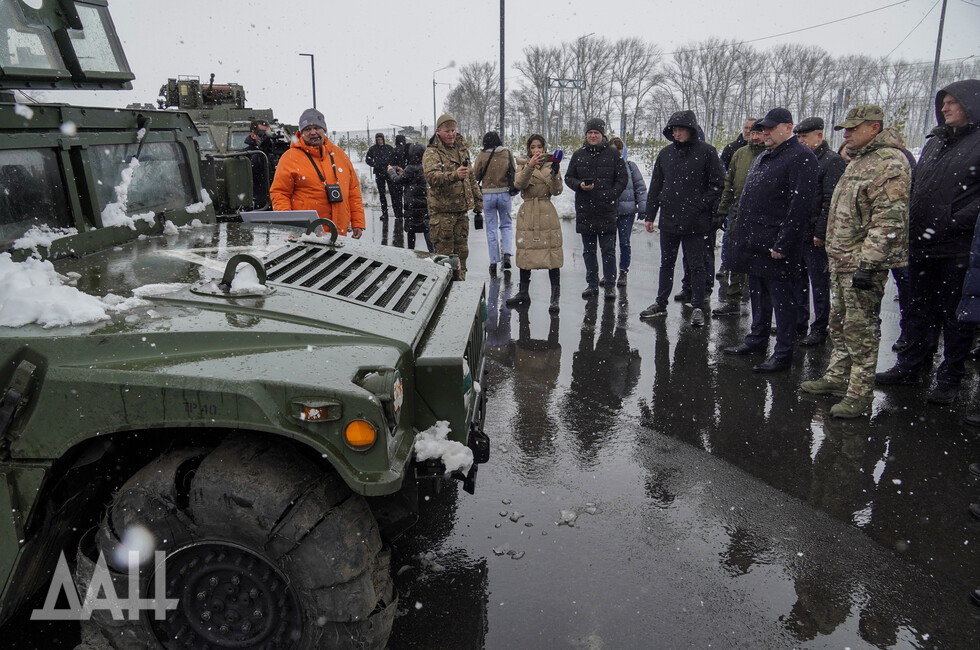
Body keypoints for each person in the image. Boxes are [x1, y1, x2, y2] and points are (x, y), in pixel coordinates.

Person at [800, 105, 911, 418]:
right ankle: (837, 378)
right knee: (839, 324)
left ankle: (859, 394)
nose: (846, 134)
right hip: (841, 261)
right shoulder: (860, 159)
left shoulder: (889, 161)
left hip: (863, 266)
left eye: (852, 128)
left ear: (873, 128)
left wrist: (869, 264)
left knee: (860, 330)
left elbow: (889, 220)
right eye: (844, 130)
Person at [876, 79, 980, 405]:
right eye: (943, 102)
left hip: (957, 247)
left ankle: (949, 378)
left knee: (954, 316)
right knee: (919, 309)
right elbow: (918, 186)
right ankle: (911, 366)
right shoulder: (935, 142)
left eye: (953, 102)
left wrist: (952, 221)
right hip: (921, 243)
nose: (945, 108)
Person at [724, 107, 818, 372]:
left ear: (787, 128)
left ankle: (783, 353)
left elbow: (798, 207)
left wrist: (783, 244)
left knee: (782, 300)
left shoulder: (801, 157)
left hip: (776, 245)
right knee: (758, 296)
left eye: (769, 128)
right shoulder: (766, 155)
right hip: (755, 241)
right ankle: (757, 339)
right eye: (762, 128)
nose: (763, 133)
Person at [639, 110, 724, 327]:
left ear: (691, 130)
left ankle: (697, 305)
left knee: (696, 264)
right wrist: (650, 214)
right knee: (666, 263)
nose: (677, 134)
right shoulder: (665, 154)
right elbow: (656, 184)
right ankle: (660, 303)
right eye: (674, 130)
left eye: (681, 129)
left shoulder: (706, 152)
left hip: (696, 221)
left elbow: (717, 184)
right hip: (669, 219)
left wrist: (700, 205)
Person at [794, 117, 847, 347]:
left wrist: (821, 232)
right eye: (798, 137)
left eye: (805, 136)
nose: (801, 140)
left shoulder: (831, 161)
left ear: (819, 135)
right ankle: (799, 322)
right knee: (798, 282)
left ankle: (819, 327)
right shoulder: (803, 159)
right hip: (799, 233)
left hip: (816, 236)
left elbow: (830, 201)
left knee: (819, 284)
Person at [270, 108, 364, 238]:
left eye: (317, 128)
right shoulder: (289, 158)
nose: (313, 132)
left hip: (338, 234)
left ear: (324, 130)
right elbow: (279, 193)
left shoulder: (339, 155)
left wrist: (357, 222)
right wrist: (290, 224)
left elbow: (353, 191)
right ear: (301, 133)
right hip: (306, 235)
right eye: (307, 129)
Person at [564, 118, 628, 300]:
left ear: (602, 135)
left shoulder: (613, 155)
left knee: (608, 250)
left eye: (596, 133)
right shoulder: (578, 155)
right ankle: (592, 284)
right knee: (588, 251)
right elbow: (569, 177)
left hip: (606, 209)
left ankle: (609, 285)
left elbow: (622, 179)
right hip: (586, 209)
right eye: (590, 133)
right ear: (586, 134)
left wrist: (611, 194)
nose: (593, 136)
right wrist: (579, 185)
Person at [712, 120, 766, 317]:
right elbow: (729, 185)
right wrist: (722, 210)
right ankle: (733, 301)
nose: (755, 137)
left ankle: (762, 309)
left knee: (761, 264)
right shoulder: (740, 154)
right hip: (739, 214)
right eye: (752, 133)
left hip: (763, 217)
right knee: (737, 258)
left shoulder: (771, 155)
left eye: (759, 133)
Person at [505, 134, 564, 313]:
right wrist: (530, 167)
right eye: (533, 147)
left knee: (552, 253)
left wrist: (554, 173)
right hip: (528, 212)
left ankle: (555, 297)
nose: (536, 150)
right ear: (528, 149)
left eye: (539, 147)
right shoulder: (523, 164)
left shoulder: (551, 164)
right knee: (526, 252)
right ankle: (524, 293)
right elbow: (518, 184)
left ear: (545, 149)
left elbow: (557, 190)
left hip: (547, 211)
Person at [422, 113, 482, 280]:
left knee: (462, 255)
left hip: (461, 212)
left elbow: (471, 178)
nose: (451, 134)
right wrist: (453, 175)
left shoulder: (462, 150)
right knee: (445, 260)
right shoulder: (432, 152)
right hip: (442, 214)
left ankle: (460, 288)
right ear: (438, 131)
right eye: (447, 131)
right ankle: (445, 293)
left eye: (453, 130)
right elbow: (432, 178)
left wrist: (478, 201)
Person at [473, 131, 516, 276]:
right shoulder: (507, 153)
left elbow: (475, 175)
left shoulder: (482, 155)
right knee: (506, 225)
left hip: (488, 195)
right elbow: (513, 171)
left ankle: (493, 261)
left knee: (491, 228)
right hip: (504, 194)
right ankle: (507, 254)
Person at [610, 136, 647, 288]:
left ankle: (623, 272)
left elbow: (640, 187)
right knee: (609, 245)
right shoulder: (604, 168)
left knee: (624, 242)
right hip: (609, 212)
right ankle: (609, 273)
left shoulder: (631, 167)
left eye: (619, 149)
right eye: (613, 149)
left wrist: (643, 208)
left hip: (627, 212)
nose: (617, 152)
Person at [387, 143, 432, 252]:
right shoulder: (426, 167)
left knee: (411, 231)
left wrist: (391, 171)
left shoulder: (410, 168)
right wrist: (403, 173)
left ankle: (410, 253)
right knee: (427, 229)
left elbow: (397, 181)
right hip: (424, 204)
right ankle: (433, 253)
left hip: (412, 205)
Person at [242, 119, 288, 209]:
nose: (266, 136)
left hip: (278, 202)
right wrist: (262, 150)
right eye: (263, 133)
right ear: (253, 135)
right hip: (260, 203)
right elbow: (254, 167)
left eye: (268, 133)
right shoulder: (246, 155)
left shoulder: (274, 152)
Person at [365, 133, 400, 219]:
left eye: (381, 139)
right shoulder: (373, 149)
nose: (380, 141)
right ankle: (385, 213)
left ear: (383, 139)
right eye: (378, 140)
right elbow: (368, 159)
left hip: (389, 173)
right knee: (382, 194)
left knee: (392, 193)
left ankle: (396, 212)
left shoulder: (389, 148)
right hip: (379, 173)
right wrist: (375, 164)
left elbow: (395, 158)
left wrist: (392, 167)